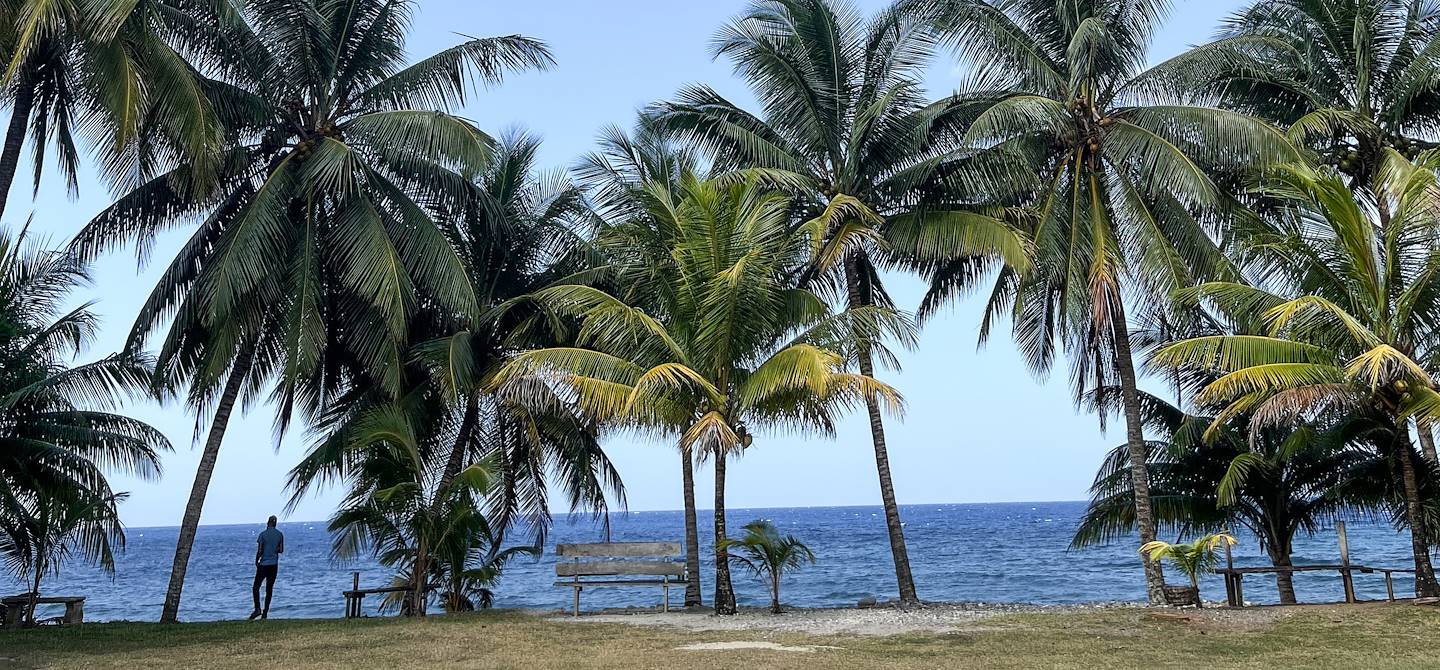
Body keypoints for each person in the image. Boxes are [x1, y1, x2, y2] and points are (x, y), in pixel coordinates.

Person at [250, 516, 284, 620]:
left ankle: (257, 609)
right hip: (274, 565)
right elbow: (281, 550)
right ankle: (265, 612)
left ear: (267, 523)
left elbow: (260, 550)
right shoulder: (279, 535)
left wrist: (256, 560)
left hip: (264, 564)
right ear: (275, 524)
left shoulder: (263, 535)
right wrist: (274, 549)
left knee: (256, 587)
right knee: (269, 589)